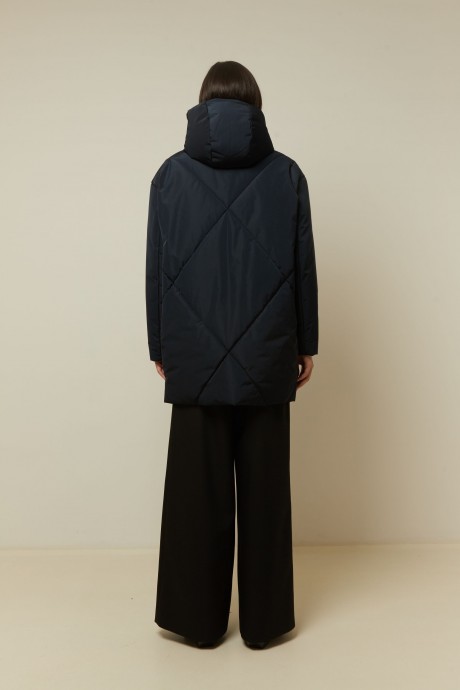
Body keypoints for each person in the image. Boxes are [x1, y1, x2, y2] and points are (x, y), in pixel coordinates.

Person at [145, 60, 319, 649]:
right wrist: (306, 343)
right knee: (267, 495)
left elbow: (155, 267)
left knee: (197, 497)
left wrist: (161, 344)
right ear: (255, 106)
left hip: (192, 357)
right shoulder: (287, 174)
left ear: (203, 105)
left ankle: (196, 624)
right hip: (268, 355)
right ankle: (265, 626)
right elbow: (302, 266)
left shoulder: (169, 176)